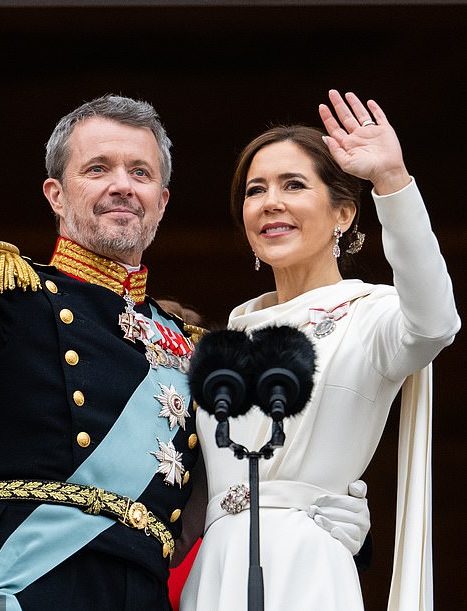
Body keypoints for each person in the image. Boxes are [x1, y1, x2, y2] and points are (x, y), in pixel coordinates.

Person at [0, 68, 371, 610]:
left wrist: (323, 521)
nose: (122, 184)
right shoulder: (7, 296)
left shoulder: (195, 352)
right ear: (56, 193)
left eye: (139, 172)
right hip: (24, 587)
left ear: (161, 201)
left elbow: (242, 480)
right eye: (98, 168)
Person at [180, 92, 460, 611]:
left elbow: (436, 324)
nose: (270, 202)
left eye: (294, 185)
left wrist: (392, 181)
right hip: (213, 571)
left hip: (305, 568)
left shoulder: (371, 317)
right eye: (255, 190)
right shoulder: (221, 342)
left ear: (344, 213)